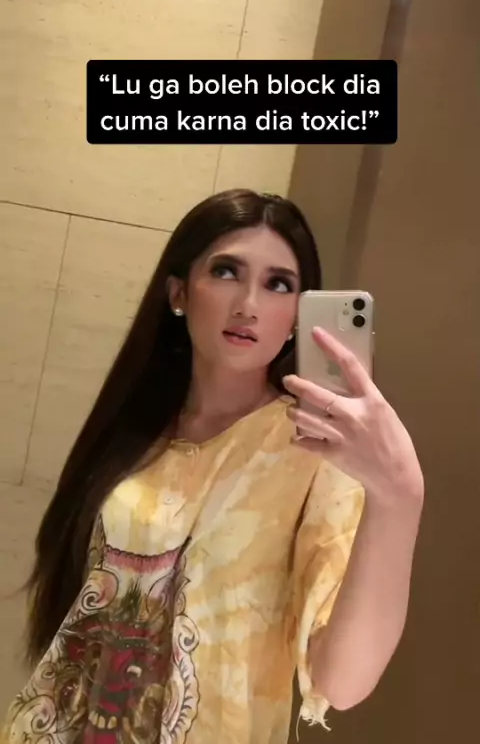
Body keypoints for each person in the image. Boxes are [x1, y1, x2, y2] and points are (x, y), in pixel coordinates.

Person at [1, 189, 424, 744]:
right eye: (226, 272)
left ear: (298, 315)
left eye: (278, 284)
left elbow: (340, 682)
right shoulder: (136, 429)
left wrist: (400, 497)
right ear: (178, 292)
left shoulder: (314, 447)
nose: (248, 303)